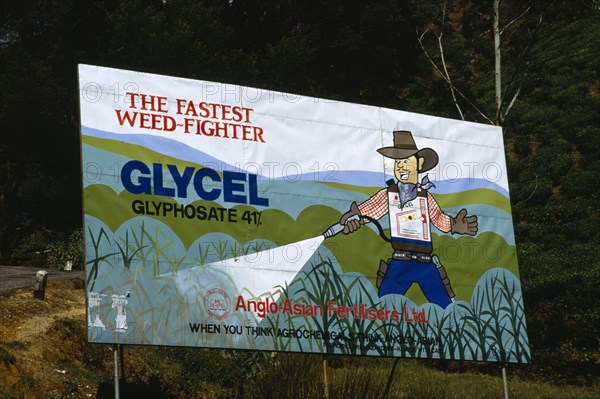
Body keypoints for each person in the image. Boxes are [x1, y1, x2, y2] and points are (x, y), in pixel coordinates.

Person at [340, 130, 478, 308]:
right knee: (383, 307)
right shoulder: (389, 194)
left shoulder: (425, 197)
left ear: (419, 163)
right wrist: (354, 217)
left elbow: (439, 218)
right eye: (398, 162)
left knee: (446, 307)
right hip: (400, 261)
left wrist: (454, 225)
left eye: (406, 161)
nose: (401, 167)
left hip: (425, 263)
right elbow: (370, 211)